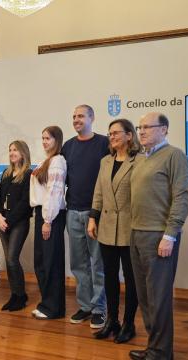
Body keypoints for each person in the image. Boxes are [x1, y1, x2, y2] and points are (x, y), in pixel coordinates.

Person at [128, 112, 188, 360]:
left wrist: (170, 235)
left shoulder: (175, 156)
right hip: (136, 234)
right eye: (139, 127)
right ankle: (153, 347)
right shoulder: (141, 159)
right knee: (145, 296)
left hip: (158, 237)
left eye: (147, 127)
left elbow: (182, 197)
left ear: (164, 129)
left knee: (159, 296)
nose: (141, 131)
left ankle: (162, 352)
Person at [88, 119, 140, 343]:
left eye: (117, 133)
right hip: (107, 227)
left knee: (131, 278)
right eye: (110, 134)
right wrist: (93, 218)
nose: (112, 137)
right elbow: (99, 193)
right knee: (109, 276)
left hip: (130, 228)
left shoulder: (140, 161)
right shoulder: (105, 161)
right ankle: (112, 320)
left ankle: (129, 323)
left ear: (130, 135)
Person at [61, 104, 109, 328]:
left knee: (98, 263)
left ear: (92, 118)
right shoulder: (68, 147)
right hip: (73, 211)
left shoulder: (103, 144)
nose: (76, 120)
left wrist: (97, 213)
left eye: (81, 116)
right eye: (74, 117)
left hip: (96, 213)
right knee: (78, 264)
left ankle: (100, 308)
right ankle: (86, 306)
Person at [30, 126, 67, 320]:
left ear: (57, 140)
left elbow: (54, 191)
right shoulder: (46, 160)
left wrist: (47, 220)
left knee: (51, 262)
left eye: (49, 138)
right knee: (41, 262)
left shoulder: (58, 161)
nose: (45, 141)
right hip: (41, 214)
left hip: (50, 216)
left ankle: (54, 308)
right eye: (43, 138)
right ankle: (46, 303)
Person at [0, 140, 33, 311]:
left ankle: (21, 295)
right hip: (3, 222)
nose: (12, 153)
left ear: (23, 152)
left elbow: (26, 203)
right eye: (10, 150)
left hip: (18, 223)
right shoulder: (6, 174)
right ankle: (14, 295)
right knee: (10, 262)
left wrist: (8, 220)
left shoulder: (28, 174)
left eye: (15, 150)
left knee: (11, 259)